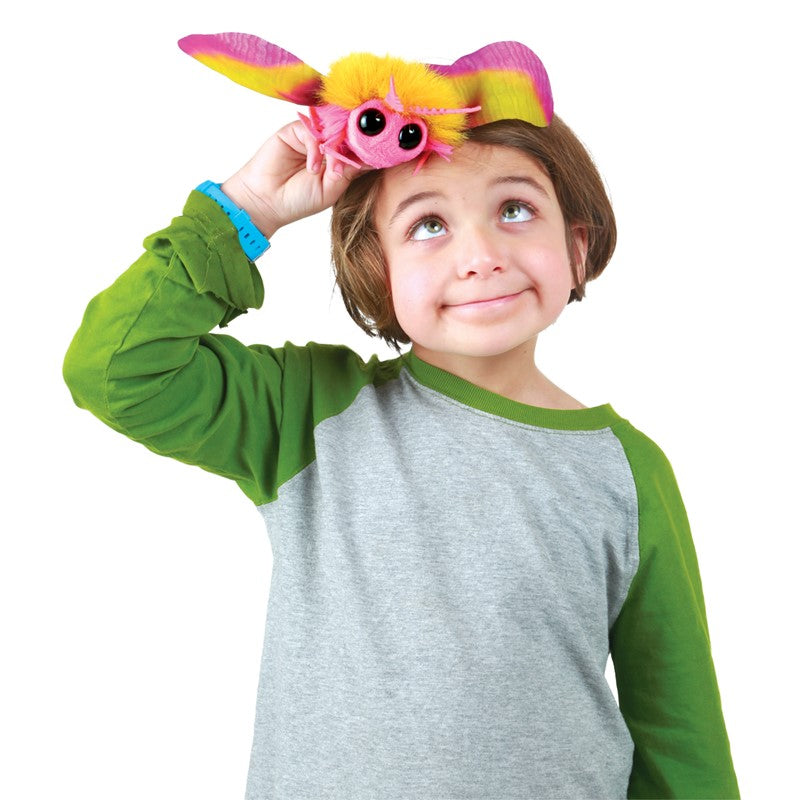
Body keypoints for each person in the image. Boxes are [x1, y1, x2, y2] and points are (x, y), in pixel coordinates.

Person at [62, 36, 739, 800]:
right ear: (374, 273)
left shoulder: (626, 468)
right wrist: (245, 211)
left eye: (515, 210)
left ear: (576, 249)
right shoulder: (308, 412)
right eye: (427, 225)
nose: (479, 254)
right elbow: (114, 368)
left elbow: (681, 736)